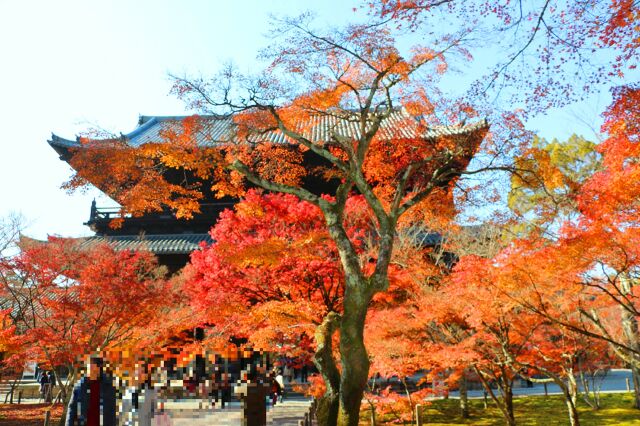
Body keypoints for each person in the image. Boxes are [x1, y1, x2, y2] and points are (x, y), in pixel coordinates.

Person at [66, 355, 117, 426]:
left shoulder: (109, 386)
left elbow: (114, 411)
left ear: (99, 367)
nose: (90, 370)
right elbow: (71, 409)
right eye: (89, 366)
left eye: (92, 366)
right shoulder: (79, 386)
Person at [120, 361, 157, 426]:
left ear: (146, 375)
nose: (138, 374)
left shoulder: (151, 393)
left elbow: (154, 413)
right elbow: (123, 414)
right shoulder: (128, 392)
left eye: (142, 372)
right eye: (137, 371)